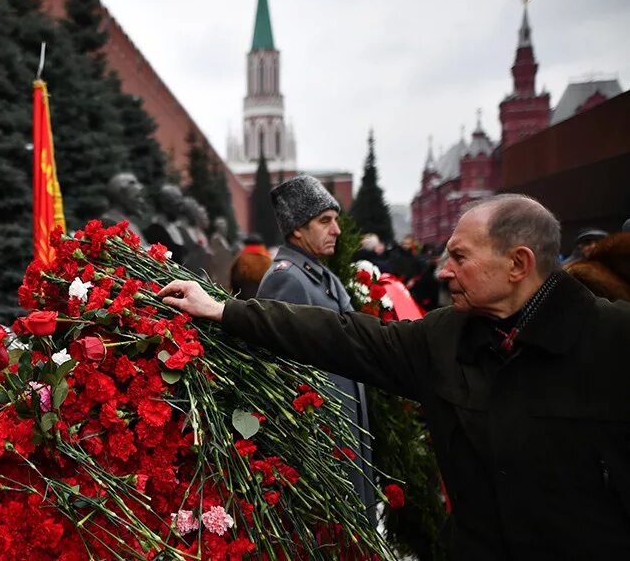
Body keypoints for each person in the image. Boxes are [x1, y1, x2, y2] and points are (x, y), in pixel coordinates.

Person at [160, 194, 630, 559]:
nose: (443, 272)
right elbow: (342, 337)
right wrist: (224, 310)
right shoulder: (446, 337)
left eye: (460, 258)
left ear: (518, 264)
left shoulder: (613, 340)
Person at [254, 175, 374, 514]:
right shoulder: (285, 279)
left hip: (344, 426)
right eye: (325, 221)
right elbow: (286, 375)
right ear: (297, 229)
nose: (336, 229)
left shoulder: (321, 275)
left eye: (335, 219)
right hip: (321, 438)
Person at [101, 172, 147, 242]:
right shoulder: (109, 224)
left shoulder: (131, 223)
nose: (141, 201)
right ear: (122, 197)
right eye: (137, 197)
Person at [229, 233, 273, 300]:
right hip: (263, 300)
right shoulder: (268, 261)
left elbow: (234, 281)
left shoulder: (241, 259)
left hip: (243, 300)